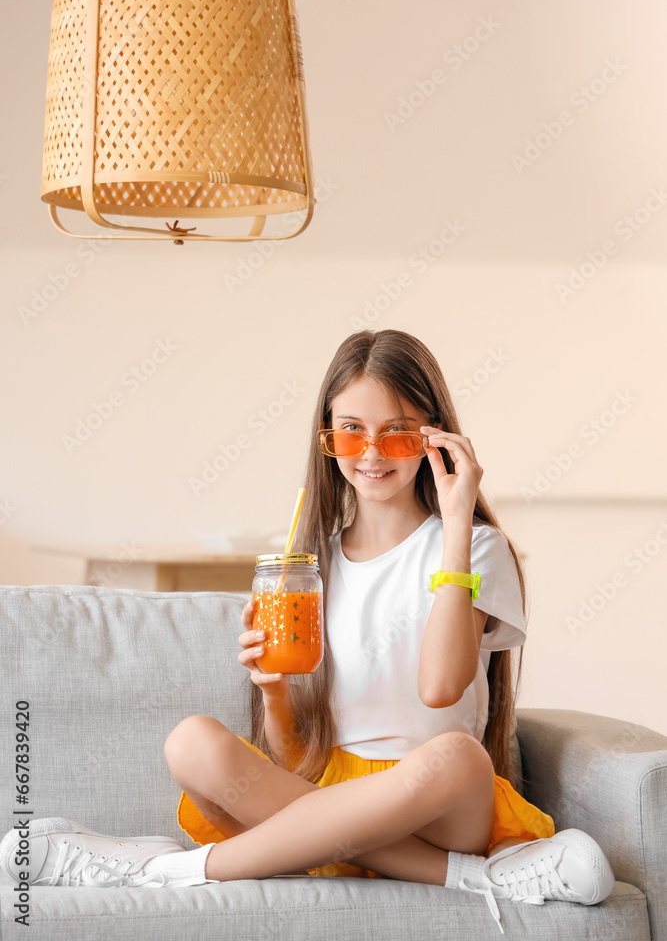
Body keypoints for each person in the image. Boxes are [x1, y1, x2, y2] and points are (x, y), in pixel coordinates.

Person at [0, 329, 614, 934]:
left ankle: (167, 870)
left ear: (434, 436)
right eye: (350, 429)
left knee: (456, 757)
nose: (371, 453)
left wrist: (456, 522)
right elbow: (300, 758)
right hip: (324, 799)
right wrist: (272, 690)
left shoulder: (474, 547)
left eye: (397, 430)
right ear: (327, 438)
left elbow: (440, 687)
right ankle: (465, 878)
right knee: (192, 742)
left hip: (438, 807)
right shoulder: (308, 563)